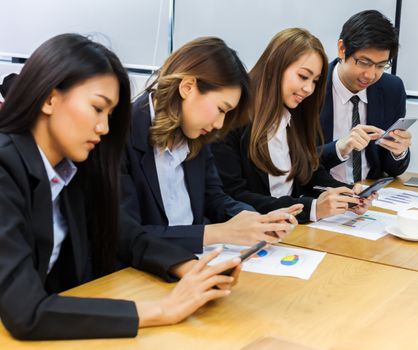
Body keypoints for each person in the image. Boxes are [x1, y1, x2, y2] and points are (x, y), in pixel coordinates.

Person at [0, 33, 241, 340]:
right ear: (49, 98)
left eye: (110, 114)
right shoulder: (5, 168)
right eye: (97, 108)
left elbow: (125, 234)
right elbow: (26, 312)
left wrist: (189, 267)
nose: (104, 128)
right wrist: (162, 310)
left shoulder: (70, 168)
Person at [121, 37, 299, 253]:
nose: (219, 124)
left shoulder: (195, 133)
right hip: (139, 274)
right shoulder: (121, 135)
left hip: (194, 262)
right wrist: (218, 233)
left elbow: (214, 197)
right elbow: (126, 235)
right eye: (221, 109)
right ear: (188, 87)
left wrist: (252, 219)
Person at [212, 28, 375, 224]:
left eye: (315, 81)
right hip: (255, 232)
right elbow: (234, 196)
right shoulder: (231, 119)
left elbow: (309, 174)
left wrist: (347, 194)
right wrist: (311, 208)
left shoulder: (298, 115)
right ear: (275, 66)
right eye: (303, 77)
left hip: (294, 231)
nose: (309, 89)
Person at [319, 10, 412, 183]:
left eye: (380, 65)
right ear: (342, 49)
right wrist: (339, 148)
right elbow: (295, 162)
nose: (370, 75)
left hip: (369, 194)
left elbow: (392, 168)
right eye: (364, 63)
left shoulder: (392, 89)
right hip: (320, 195)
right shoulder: (312, 87)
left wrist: (398, 151)